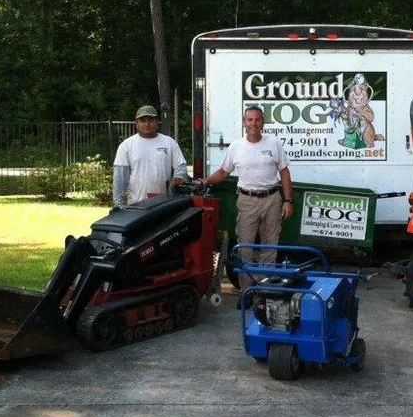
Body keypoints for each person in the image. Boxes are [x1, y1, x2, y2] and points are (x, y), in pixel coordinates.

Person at [198, 106, 294, 300]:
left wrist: (288, 201)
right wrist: (206, 181)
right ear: (244, 122)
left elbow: (284, 172)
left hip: (272, 199)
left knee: (270, 246)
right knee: (245, 247)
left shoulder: (274, 144)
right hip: (247, 200)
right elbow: (223, 172)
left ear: (263, 123)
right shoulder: (236, 147)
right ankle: (247, 292)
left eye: (257, 120)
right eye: (249, 120)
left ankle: (265, 290)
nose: (253, 124)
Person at [112, 105, 188, 209]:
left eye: (150, 120)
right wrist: (118, 205)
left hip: (164, 205)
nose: (147, 124)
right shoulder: (126, 146)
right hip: (136, 206)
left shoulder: (169, 142)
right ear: (136, 123)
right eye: (142, 121)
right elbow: (120, 178)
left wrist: (179, 177)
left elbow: (181, 165)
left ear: (157, 122)